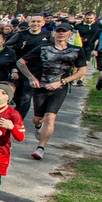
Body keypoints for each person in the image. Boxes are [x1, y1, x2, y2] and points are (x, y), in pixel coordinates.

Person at [17, 22, 88, 159]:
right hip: (41, 86)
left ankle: (40, 148)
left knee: (50, 117)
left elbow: (82, 70)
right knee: (38, 118)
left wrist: (62, 81)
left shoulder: (76, 51)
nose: (61, 33)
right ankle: (38, 127)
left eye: (64, 31)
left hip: (60, 88)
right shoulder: (43, 48)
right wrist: (31, 78)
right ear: (54, 33)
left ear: (70, 34)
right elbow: (21, 62)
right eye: (58, 31)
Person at [5, 13, 51, 118]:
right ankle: (16, 111)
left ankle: (19, 120)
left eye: (38, 21)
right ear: (29, 22)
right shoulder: (21, 35)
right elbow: (7, 46)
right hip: (19, 68)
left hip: (36, 70)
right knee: (15, 96)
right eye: (33, 21)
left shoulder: (48, 35)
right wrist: (18, 46)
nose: (35, 24)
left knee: (26, 97)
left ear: (43, 23)